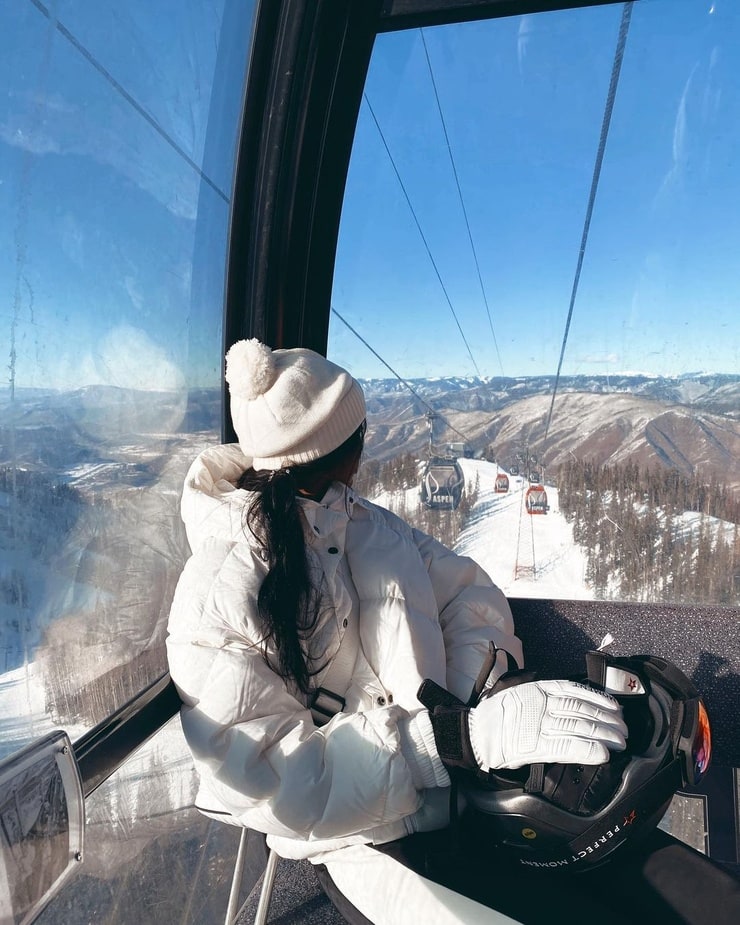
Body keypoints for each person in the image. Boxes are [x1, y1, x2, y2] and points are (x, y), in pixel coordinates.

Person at [166, 339, 629, 925]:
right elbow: (269, 784)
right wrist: (447, 743)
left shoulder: (365, 523)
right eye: (359, 433)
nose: (366, 447)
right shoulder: (216, 591)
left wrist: (463, 708)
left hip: (460, 785)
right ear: (334, 448)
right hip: (359, 837)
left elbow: (472, 594)